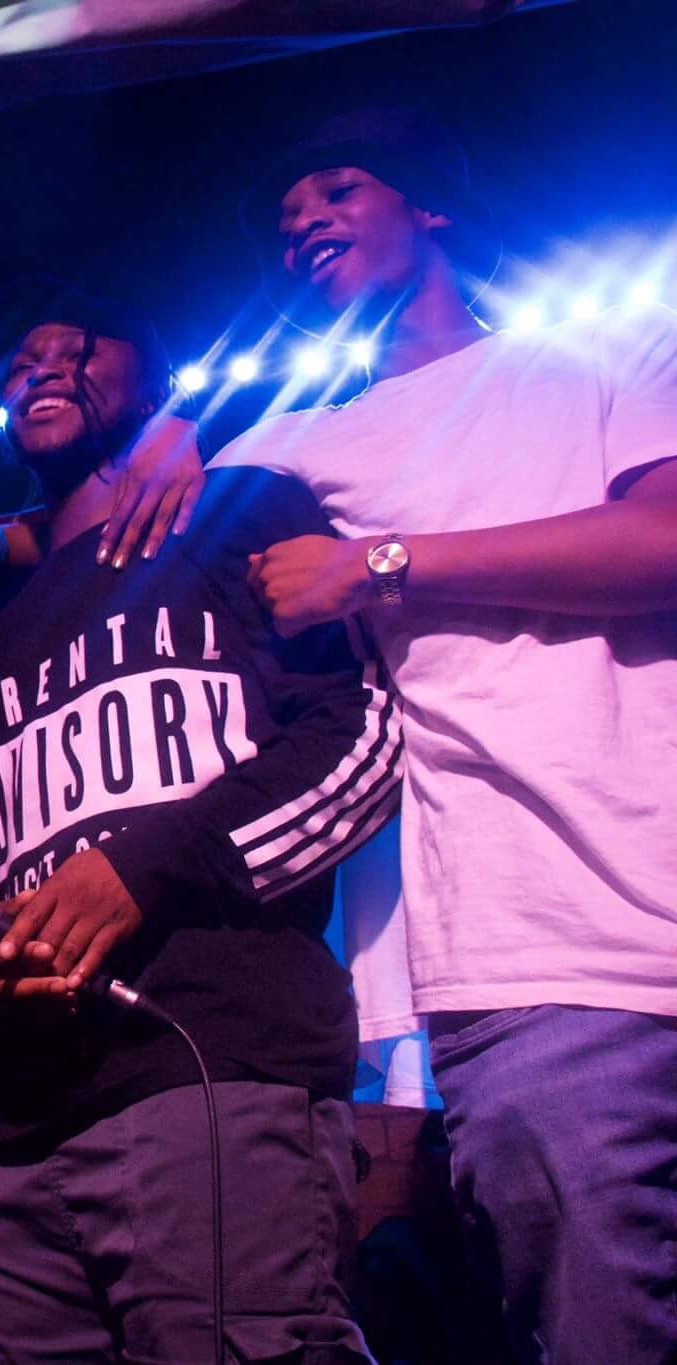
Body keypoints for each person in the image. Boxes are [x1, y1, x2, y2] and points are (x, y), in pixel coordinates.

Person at [214, 107, 677, 1361]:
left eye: (335, 187)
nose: (303, 220)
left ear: (429, 208)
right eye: (284, 217)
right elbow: (108, 538)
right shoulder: (292, 446)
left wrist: (380, 562)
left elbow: (664, 543)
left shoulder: (609, 346)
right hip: (537, 957)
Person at [0, 289, 395, 1362]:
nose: (44, 366)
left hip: (216, 1067)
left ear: (157, 385)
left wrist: (140, 871)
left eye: (78, 347)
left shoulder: (237, 515)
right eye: (22, 358)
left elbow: (358, 737)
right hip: (10, 1124)